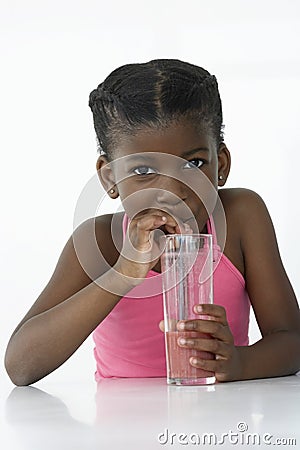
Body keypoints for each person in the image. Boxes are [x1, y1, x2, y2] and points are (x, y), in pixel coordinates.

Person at [5, 59, 300, 386]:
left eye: (194, 163)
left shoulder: (242, 216)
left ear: (222, 164)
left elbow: (291, 341)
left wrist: (241, 363)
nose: (172, 192)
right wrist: (124, 273)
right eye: (143, 171)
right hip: (120, 433)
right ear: (109, 178)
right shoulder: (97, 241)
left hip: (218, 427)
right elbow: (21, 366)